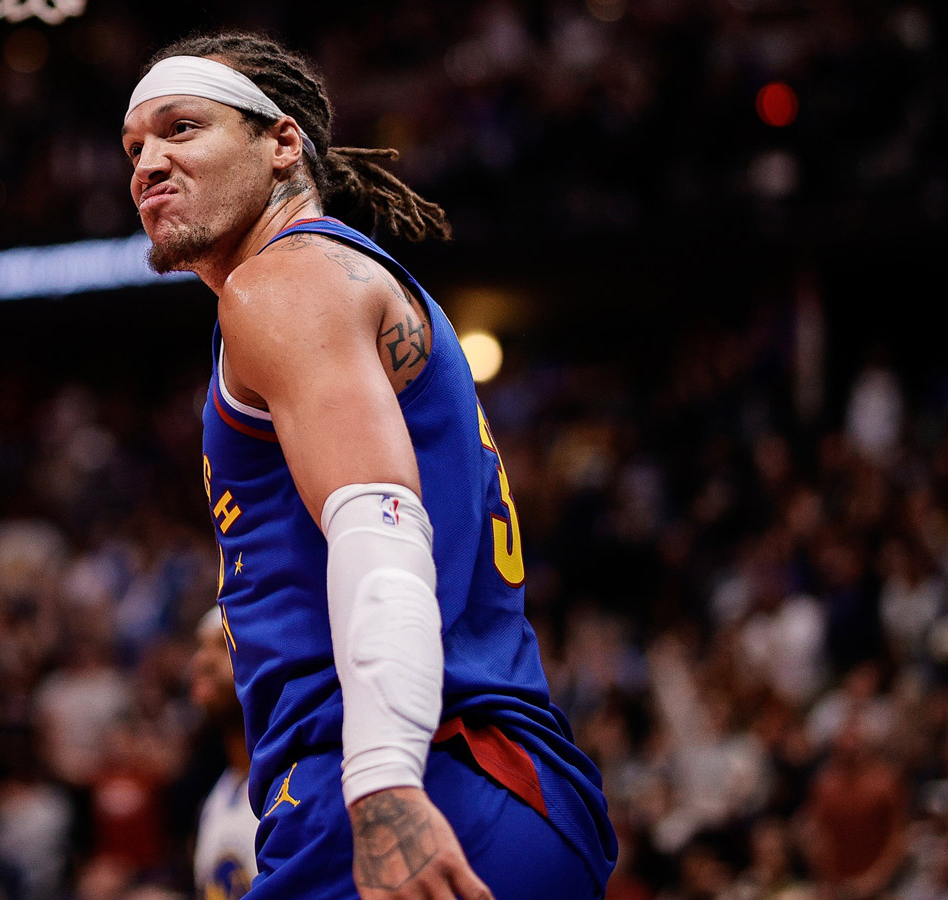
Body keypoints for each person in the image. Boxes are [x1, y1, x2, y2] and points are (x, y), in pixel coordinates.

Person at [120, 31, 618, 900]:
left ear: (282, 144)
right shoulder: (333, 281)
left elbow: (379, 531)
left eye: (182, 129)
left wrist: (385, 781)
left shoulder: (287, 282)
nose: (148, 164)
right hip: (477, 778)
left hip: (417, 775)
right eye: (134, 146)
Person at [189, 606, 259, 900]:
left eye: (222, 645)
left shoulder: (297, 782)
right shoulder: (217, 797)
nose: (201, 660)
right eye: (200, 646)